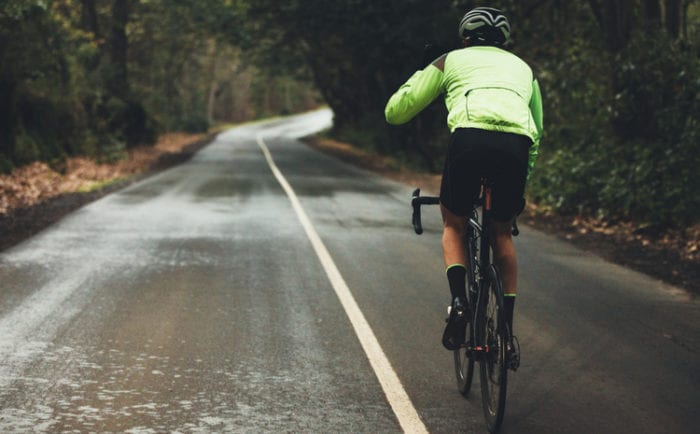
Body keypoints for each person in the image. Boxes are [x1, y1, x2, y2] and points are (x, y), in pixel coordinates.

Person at [384, 7, 543, 352]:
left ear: (465, 37)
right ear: (504, 40)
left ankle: (459, 302)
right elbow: (537, 129)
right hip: (516, 147)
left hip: (469, 141)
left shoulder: (450, 60)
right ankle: (505, 330)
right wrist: (523, 178)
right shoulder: (524, 69)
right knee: (501, 231)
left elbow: (395, 112)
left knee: (454, 224)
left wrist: (423, 70)